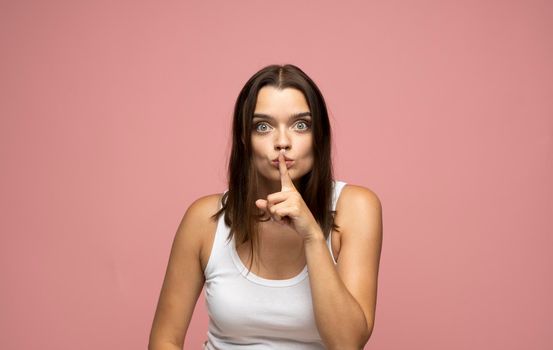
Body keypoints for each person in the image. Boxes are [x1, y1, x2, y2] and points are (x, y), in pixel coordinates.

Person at [148, 64, 383, 350]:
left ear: (318, 135)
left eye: (301, 125)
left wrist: (311, 235)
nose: (282, 142)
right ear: (245, 138)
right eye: (263, 126)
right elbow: (164, 340)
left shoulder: (356, 208)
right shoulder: (204, 219)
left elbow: (348, 344)